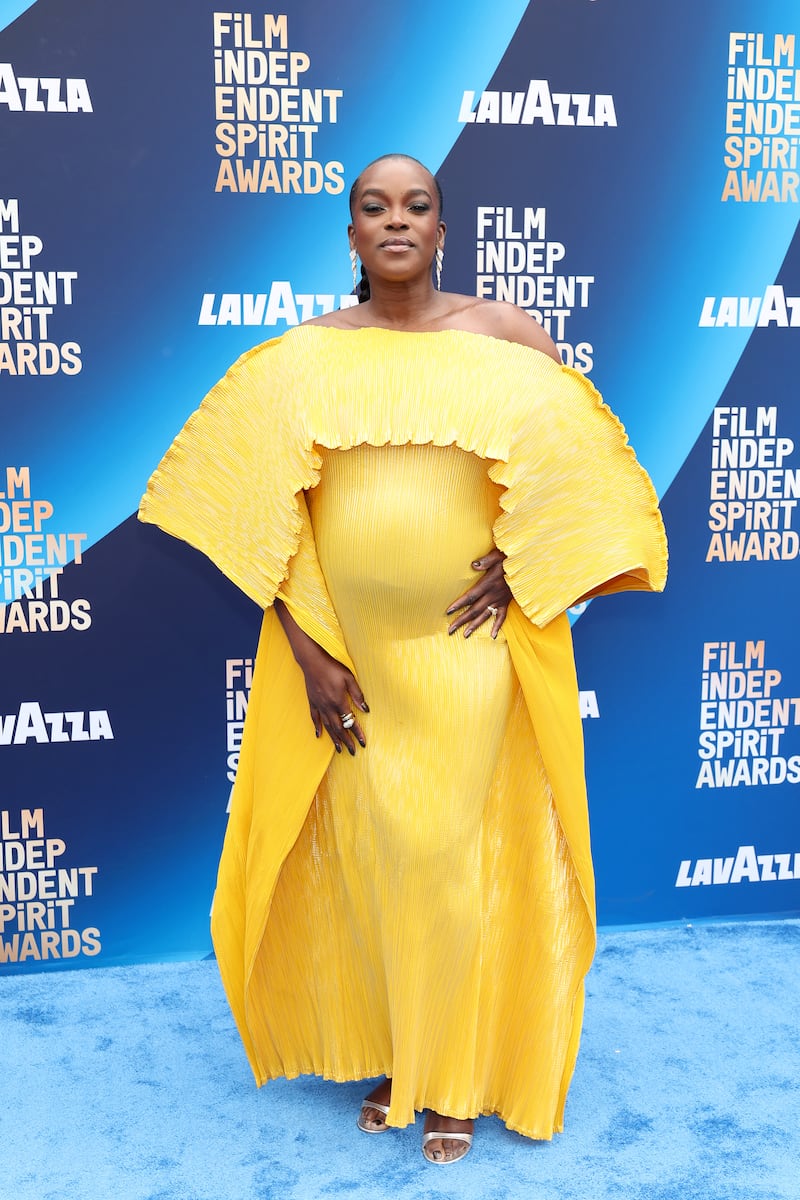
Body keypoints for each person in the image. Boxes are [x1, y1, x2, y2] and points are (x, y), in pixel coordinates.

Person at [139, 153, 667, 1164]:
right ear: (350, 237)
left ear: (439, 227)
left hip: (466, 649)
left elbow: (578, 477)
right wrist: (306, 653)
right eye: (373, 207)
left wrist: (524, 565)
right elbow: (266, 524)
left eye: (414, 206)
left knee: (447, 858)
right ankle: (407, 1056)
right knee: (387, 863)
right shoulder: (299, 359)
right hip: (355, 658)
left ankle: (457, 1076)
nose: (395, 220)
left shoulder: (504, 337)